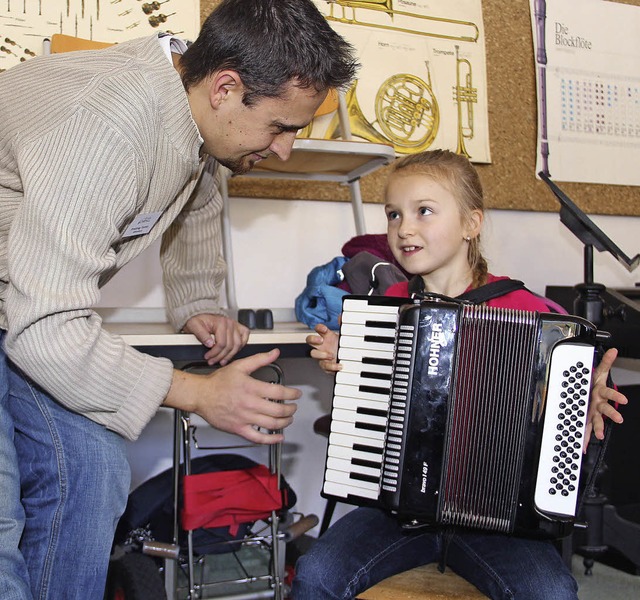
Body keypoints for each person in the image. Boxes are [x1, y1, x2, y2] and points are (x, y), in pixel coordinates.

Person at [0, 1, 358, 598]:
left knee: (96, 473)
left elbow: (196, 193)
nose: (286, 150)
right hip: (31, 314)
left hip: (20, 301)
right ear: (226, 87)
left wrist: (195, 300)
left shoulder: (189, 103)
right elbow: (46, 332)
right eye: (281, 127)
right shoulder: (106, 130)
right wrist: (195, 392)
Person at [292, 150, 628, 600]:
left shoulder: (527, 311)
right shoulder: (388, 305)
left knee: (550, 592)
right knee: (316, 575)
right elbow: (378, 407)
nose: (403, 228)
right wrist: (354, 359)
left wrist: (590, 397)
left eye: (423, 211)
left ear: (472, 223)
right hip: (399, 508)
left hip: (501, 521)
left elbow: (589, 386)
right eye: (394, 214)